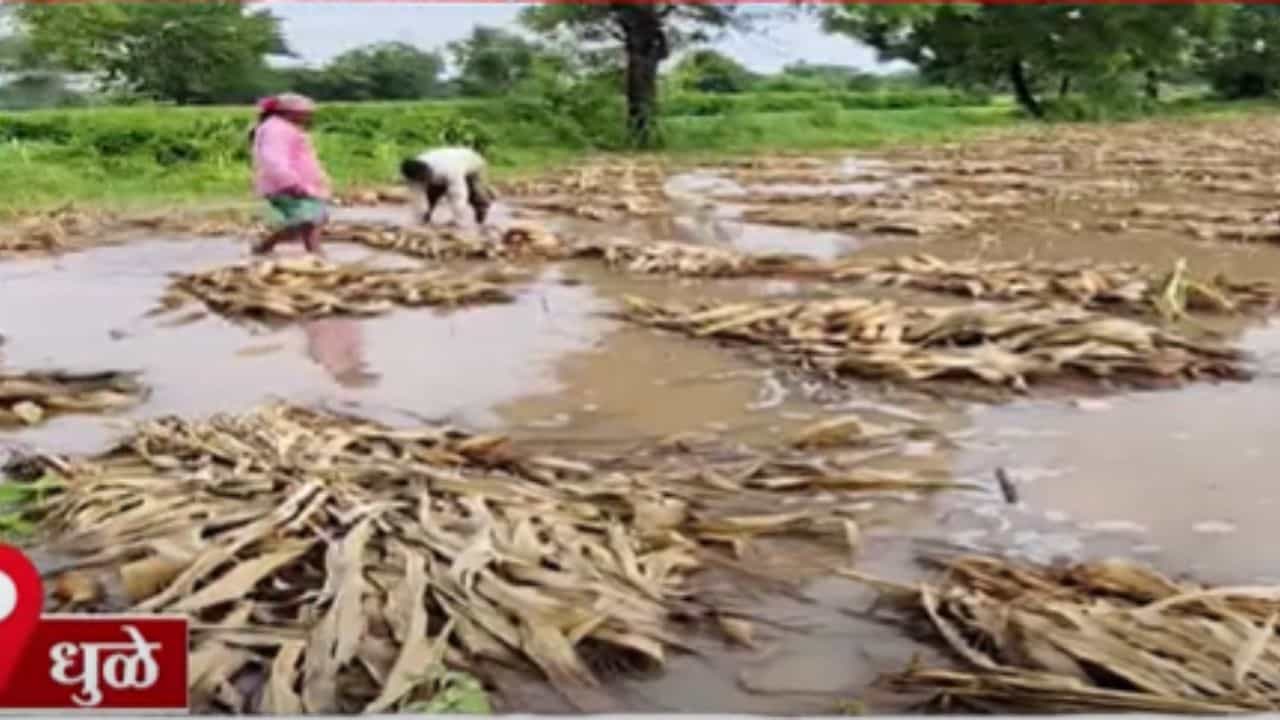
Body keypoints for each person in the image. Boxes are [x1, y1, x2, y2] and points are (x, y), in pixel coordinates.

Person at [249, 93, 332, 255]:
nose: (309, 118)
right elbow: (273, 160)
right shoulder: (276, 130)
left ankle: (314, 252)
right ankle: (265, 245)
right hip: (285, 186)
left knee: (315, 219)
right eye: (306, 114)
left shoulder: (287, 128)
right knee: (305, 220)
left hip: (302, 184)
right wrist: (290, 183)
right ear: (290, 112)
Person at [399, 147, 495, 228]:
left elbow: (458, 194)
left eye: (423, 178)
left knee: (476, 193)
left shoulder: (448, 169)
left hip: (472, 163)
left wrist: (458, 220)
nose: (422, 181)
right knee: (431, 194)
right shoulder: (412, 175)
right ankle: (425, 220)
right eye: (420, 179)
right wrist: (419, 219)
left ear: (427, 172)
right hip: (444, 167)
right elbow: (418, 198)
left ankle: (481, 218)